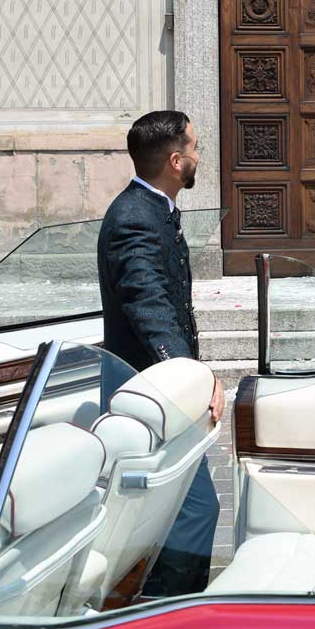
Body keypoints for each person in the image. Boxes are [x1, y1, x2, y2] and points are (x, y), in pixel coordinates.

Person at [97, 109, 227, 597]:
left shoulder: (152, 209)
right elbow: (147, 303)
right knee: (194, 510)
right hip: (151, 391)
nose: (198, 156)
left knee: (171, 511)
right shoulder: (135, 217)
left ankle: (160, 603)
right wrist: (192, 376)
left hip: (161, 387)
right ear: (176, 161)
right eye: (194, 147)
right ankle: (165, 611)